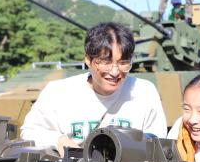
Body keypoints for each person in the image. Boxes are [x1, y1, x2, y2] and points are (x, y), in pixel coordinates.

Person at [20, 22, 167, 155]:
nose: (115, 72)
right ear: (88, 59)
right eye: (105, 62)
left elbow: (158, 142)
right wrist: (58, 140)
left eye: (123, 63)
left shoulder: (144, 92)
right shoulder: (57, 93)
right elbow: (29, 132)